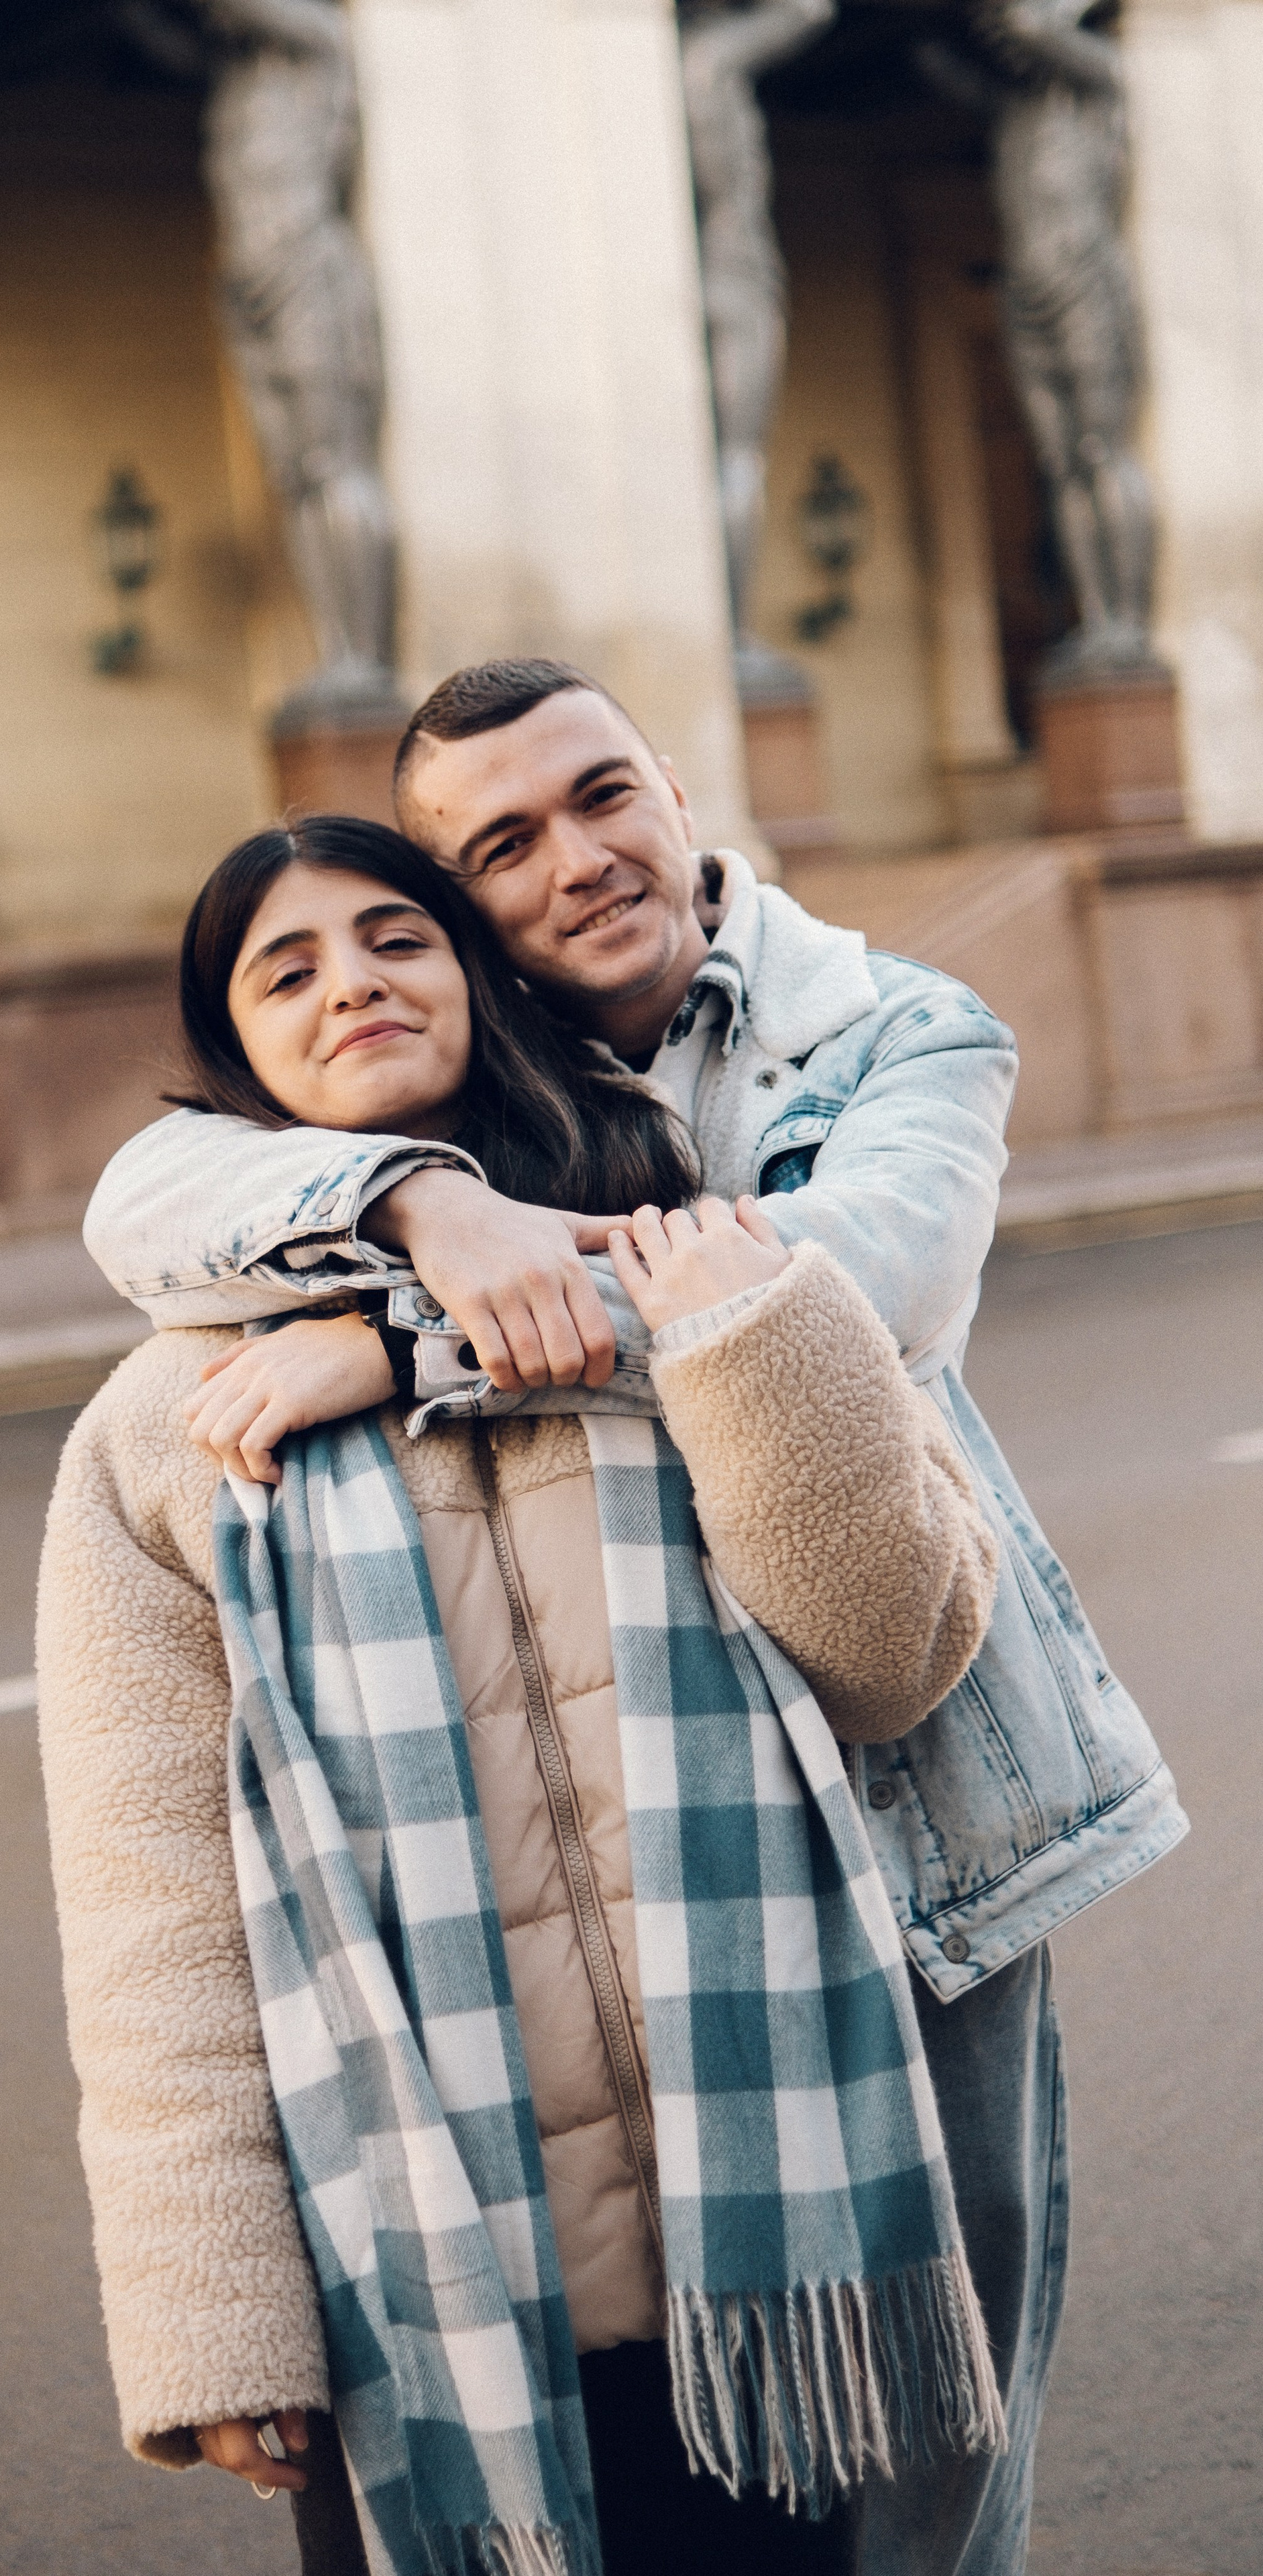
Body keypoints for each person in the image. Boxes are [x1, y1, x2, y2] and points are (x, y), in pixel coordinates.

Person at [78, 661, 1188, 2575]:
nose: (580, 862)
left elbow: (864, 1285)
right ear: (478, 927)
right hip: (463, 2117)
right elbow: (148, 1893)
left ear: (677, 786)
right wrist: (426, 1209)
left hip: (923, 1832)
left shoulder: (892, 1030)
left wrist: (410, 1331)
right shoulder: (197, 1385)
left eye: (604, 797)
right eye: (500, 847)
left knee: (918, 2472)